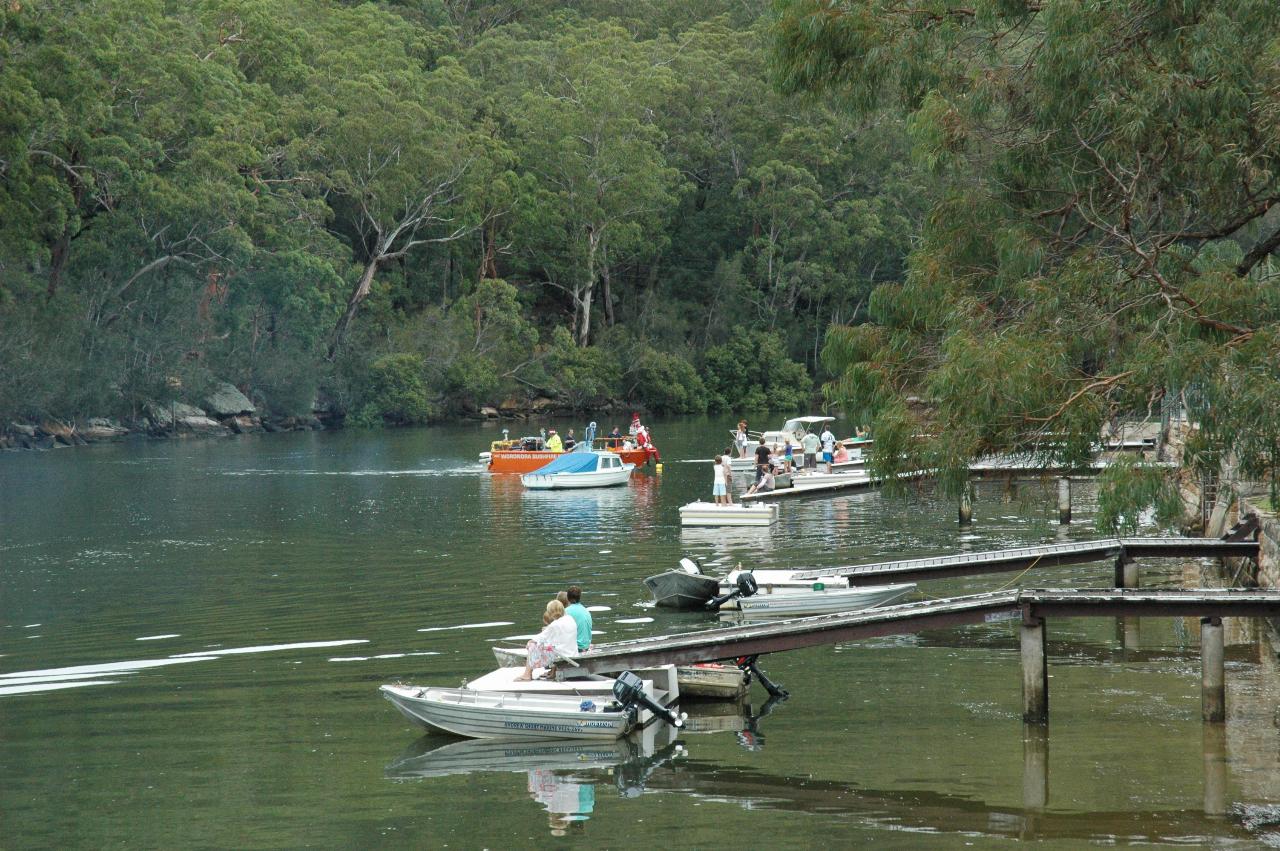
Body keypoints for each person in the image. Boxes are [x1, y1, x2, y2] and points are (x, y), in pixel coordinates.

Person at [517, 599, 577, 680]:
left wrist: (530, 641)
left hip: (562, 654)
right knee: (552, 646)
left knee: (532, 645)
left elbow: (540, 637)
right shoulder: (570, 619)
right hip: (573, 652)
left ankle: (527, 674)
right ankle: (552, 672)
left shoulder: (554, 625)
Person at [564, 585, 593, 652]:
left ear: (567, 598)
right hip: (586, 646)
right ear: (579, 597)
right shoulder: (586, 611)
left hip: (576, 648)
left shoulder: (566, 612)